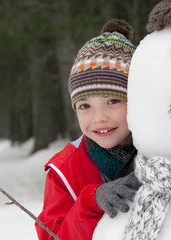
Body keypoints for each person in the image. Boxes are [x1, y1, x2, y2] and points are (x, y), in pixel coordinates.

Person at [35, 19, 141, 240]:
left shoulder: (165, 148)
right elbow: (52, 236)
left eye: (112, 101)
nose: (99, 118)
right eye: (85, 106)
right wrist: (91, 201)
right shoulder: (64, 171)